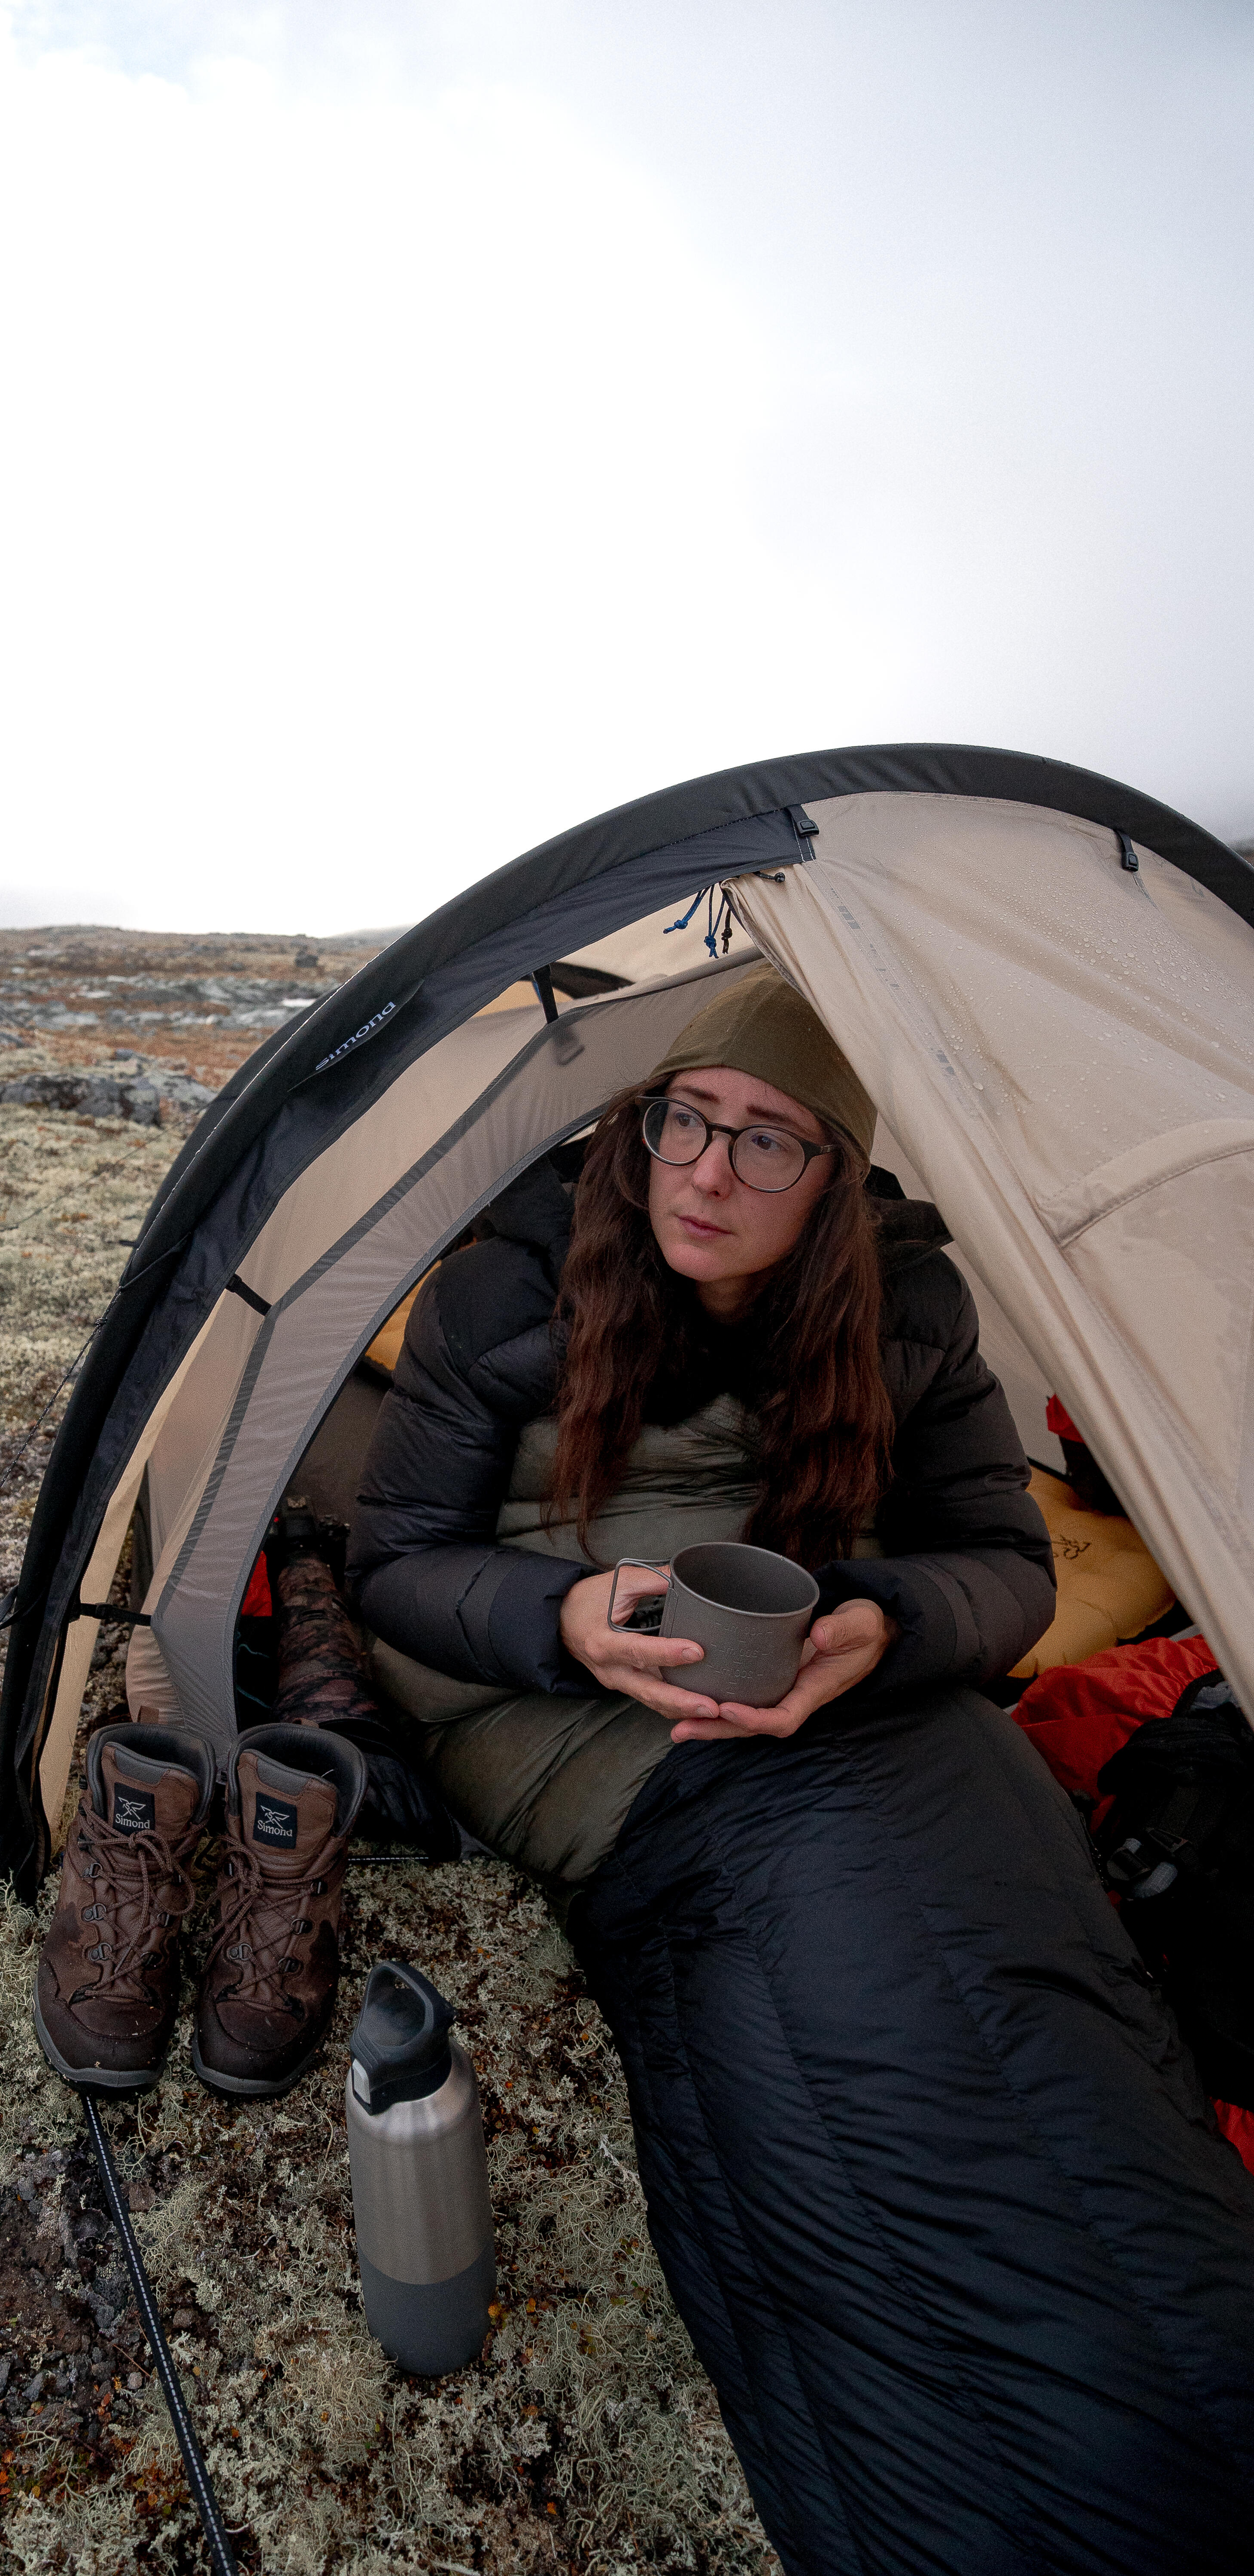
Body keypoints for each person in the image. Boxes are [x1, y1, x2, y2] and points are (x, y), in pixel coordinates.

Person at [346, 963, 1254, 2576]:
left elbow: (1002, 1564)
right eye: (684, 1121)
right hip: (580, 1722)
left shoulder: (908, 1308)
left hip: (852, 1706)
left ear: (840, 1177)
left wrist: (885, 1626)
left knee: (1026, 1931)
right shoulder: (512, 1286)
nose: (706, 1170)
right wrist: (559, 1615)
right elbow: (397, 1562)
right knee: (857, 2034)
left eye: (770, 1141)